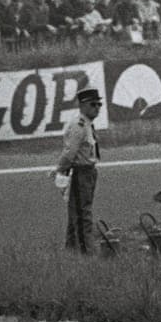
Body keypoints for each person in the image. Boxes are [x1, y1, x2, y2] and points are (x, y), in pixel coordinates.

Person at [54, 88, 103, 254]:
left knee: (78, 212)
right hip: (81, 172)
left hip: (88, 172)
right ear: (82, 105)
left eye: (99, 104)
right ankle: (86, 251)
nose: (97, 108)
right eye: (93, 104)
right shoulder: (79, 125)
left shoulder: (87, 124)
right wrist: (60, 169)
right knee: (83, 214)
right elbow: (70, 152)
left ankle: (71, 249)